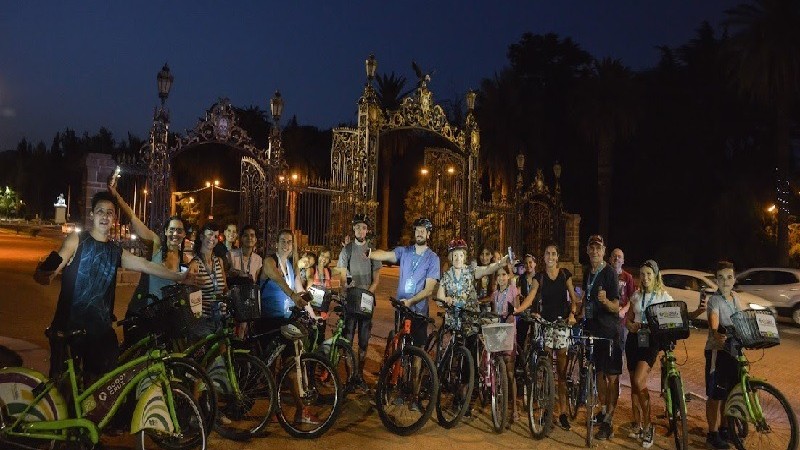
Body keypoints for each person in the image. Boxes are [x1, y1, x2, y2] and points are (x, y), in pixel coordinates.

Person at [34, 191, 193, 379]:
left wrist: (178, 276)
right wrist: (45, 273)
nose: (105, 216)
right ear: (92, 215)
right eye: (100, 211)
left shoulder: (115, 250)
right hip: (70, 329)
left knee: (104, 387)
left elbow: (146, 265)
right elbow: (50, 272)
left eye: (110, 212)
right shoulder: (77, 240)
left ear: (114, 218)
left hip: (100, 331)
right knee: (63, 389)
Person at [369, 217, 440, 410]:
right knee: (400, 350)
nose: (419, 233)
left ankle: (414, 395)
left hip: (418, 312)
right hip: (402, 310)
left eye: (423, 230)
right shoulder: (405, 252)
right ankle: (397, 388)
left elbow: (429, 290)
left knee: (417, 355)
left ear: (428, 234)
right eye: (417, 229)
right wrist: (369, 253)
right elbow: (387, 255)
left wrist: (411, 301)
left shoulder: (433, 258)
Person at [515, 243, 579, 431]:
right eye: (547, 253)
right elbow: (531, 296)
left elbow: (573, 298)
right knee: (545, 370)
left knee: (561, 373)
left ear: (557, 257)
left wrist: (573, 313)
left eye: (553, 253)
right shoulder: (539, 277)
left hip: (561, 325)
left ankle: (563, 412)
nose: (550, 256)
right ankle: (545, 409)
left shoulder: (564, 274)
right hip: (545, 325)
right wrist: (519, 309)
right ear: (543, 257)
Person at [624, 260, 673, 448]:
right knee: (633, 385)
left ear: (656, 275)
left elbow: (672, 319)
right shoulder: (636, 296)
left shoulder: (664, 296)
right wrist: (631, 326)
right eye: (642, 274)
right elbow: (628, 320)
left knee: (639, 381)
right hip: (633, 340)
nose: (645, 278)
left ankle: (648, 425)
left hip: (651, 341)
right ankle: (636, 424)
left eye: (649, 274)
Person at [579, 234, 621, 440]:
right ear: (587, 250)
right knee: (598, 375)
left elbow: (617, 306)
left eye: (598, 248)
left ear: (604, 251)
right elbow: (585, 300)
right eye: (591, 248)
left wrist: (605, 302)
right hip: (593, 330)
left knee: (612, 378)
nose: (595, 251)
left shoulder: (610, 273)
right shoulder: (588, 272)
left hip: (610, 331)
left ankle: (609, 422)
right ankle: (604, 412)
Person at [337, 214, 382, 390]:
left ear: (367, 230)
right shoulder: (346, 250)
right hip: (350, 299)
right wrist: (346, 287)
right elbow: (341, 275)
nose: (360, 230)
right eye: (357, 227)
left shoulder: (372, 251)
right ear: (353, 229)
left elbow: (376, 279)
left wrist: (367, 295)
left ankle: (359, 375)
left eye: (363, 227)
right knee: (348, 339)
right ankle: (349, 378)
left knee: (364, 341)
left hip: (366, 300)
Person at [704, 261, 742, 449]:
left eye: (729, 277)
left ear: (734, 279)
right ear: (716, 280)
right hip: (717, 351)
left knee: (730, 392)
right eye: (721, 277)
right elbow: (714, 319)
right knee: (715, 394)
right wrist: (715, 331)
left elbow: (741, 320)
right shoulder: (715, 300)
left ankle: (725, 428)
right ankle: (712, 433)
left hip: (733, 350)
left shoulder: (735, 298)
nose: (725, 281)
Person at [186, 222, 228, 339]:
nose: (212, 239)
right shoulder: (195, 264)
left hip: (220, 317)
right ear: (201, 237)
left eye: (215, 236)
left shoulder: (219, 261)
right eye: (209, 235)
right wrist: (197, 320)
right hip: (203, 321)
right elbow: (192, 294)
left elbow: (224, 288)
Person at [492, 265, 520, 425]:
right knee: (497, 369)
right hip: (497, 333)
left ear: (508, 277)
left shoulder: (513, 291)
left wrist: (511, 313)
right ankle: (499, 404)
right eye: (499, 275)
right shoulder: (494, 295)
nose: (502, 278)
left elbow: (516, 309)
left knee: (510, 373)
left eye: (504, 275)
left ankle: (514, 408)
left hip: (510, 333)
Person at [611, 248, 635, 353]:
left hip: (622, 319)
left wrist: (623, 311)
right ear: (610, 259)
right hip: (608, 317)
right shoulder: (605, 275)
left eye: (619, 256)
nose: (617, 258)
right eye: (614, 256)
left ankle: (619, 368)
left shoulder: (628, 277)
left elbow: (633, 299)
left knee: (620, 348)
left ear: (623, 261)